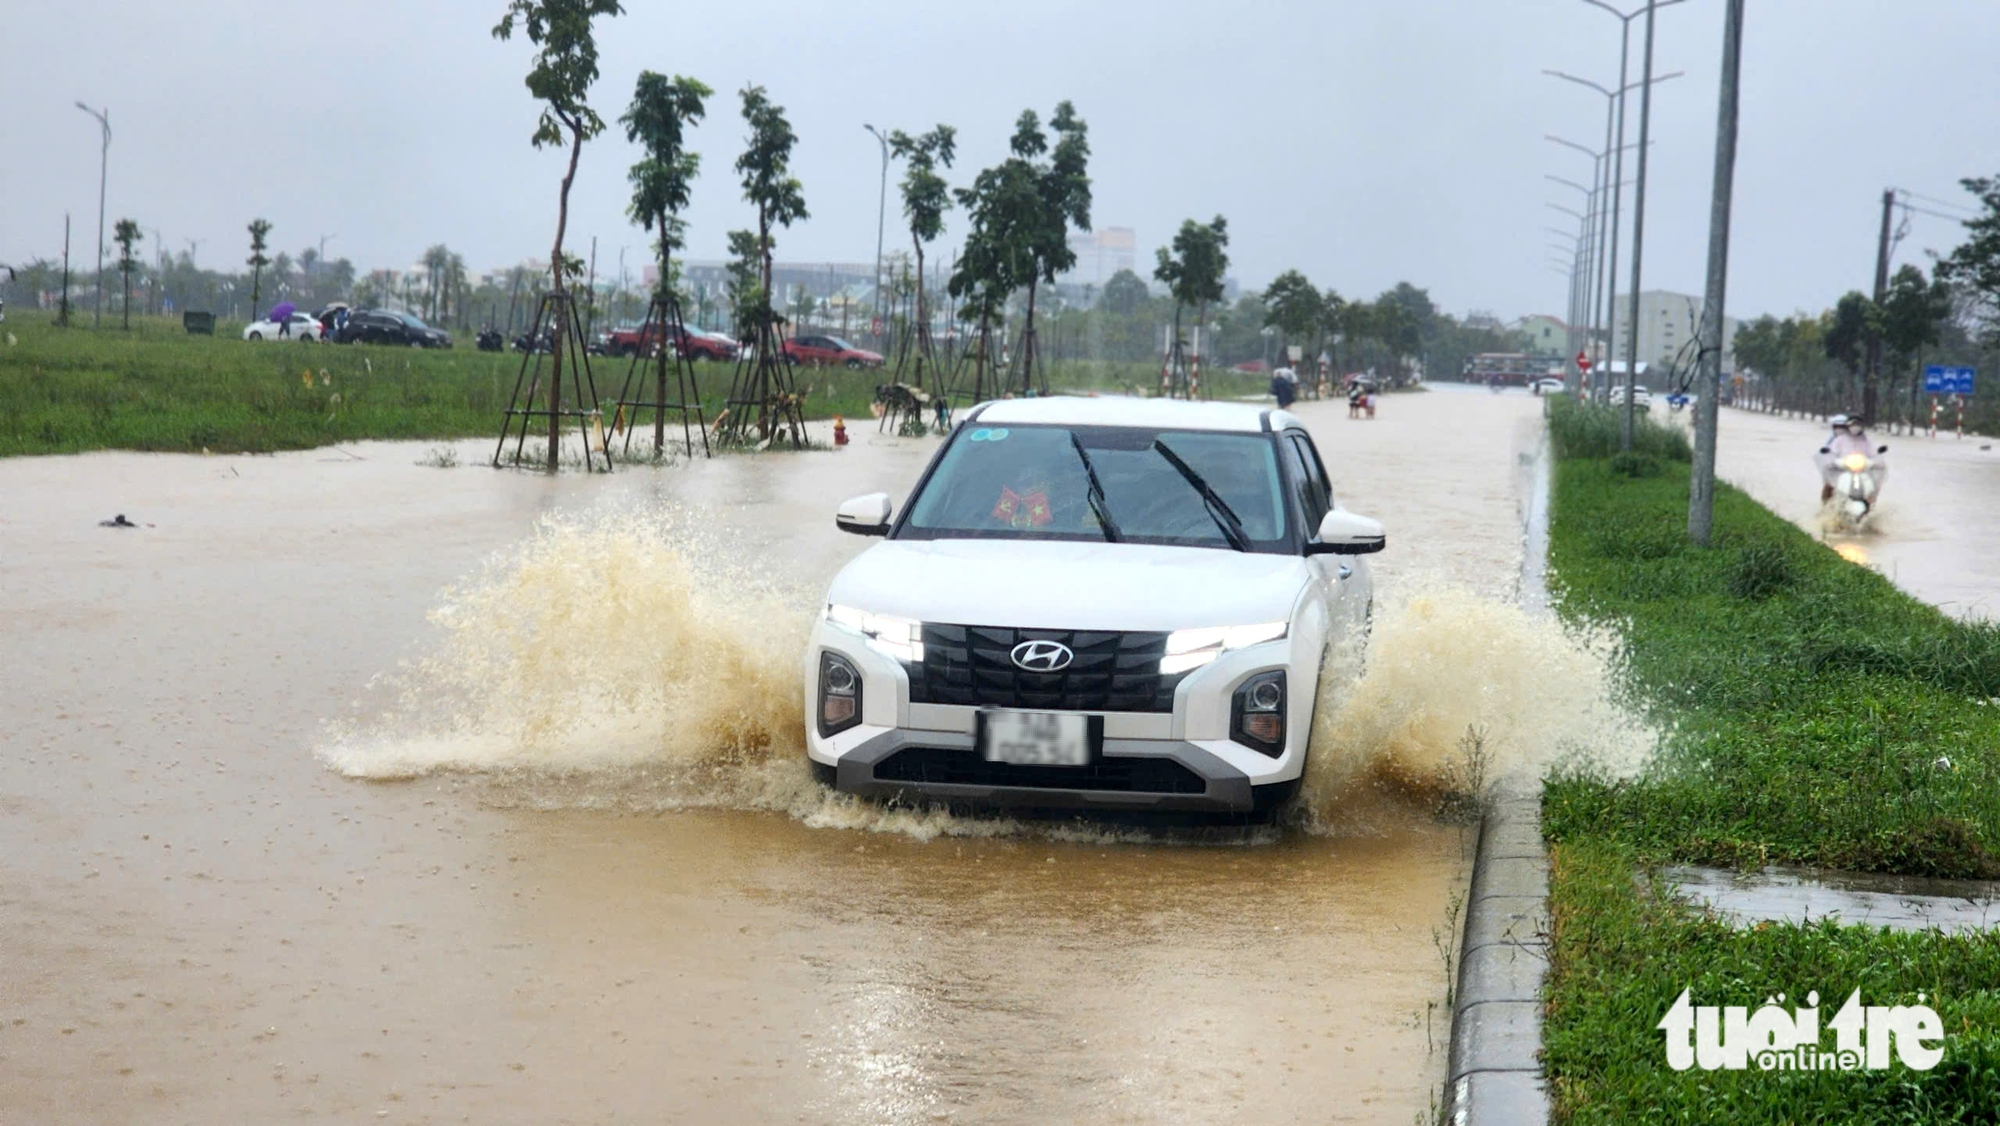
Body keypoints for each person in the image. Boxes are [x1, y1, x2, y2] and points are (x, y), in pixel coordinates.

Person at [1819, 414, 1876, 503]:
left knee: (1871, 488)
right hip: (1842, 468)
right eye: (1853, 425)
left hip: (1861, 470)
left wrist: (1876, 462)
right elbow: (1830, 451)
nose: (1855, 427)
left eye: (1857, 425)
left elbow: (1874, 454)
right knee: (1829, 485)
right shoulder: (1840, 440)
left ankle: (1870, 508)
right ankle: (1825, 506)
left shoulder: (1866, 441)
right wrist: (1831, 461)